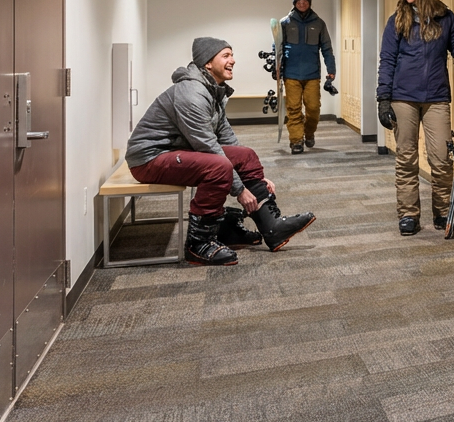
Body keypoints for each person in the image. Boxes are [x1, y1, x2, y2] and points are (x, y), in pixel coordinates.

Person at [125, 37, 317, 265]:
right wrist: (240, 190)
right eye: (226, 55)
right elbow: (207, 146)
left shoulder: (212, 90)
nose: (233, 60)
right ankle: (199, 244)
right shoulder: (191, 93)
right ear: (207, 63)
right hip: (149, 158)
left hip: (176, 150)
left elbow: (226, 137)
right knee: (218, 166)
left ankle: (271, 227)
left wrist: (255, 180)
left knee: (246, 155)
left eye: (232, 55)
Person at [376, 0, 454, 236]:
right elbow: (387, 61)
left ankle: (442, 213)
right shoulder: (396, 20)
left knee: (441, 160)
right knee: (406, 158)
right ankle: (408, 216)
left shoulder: (445, 17)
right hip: (403, 97)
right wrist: (383, 98)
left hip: (437, 97)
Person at [278, 0, 336, 154]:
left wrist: (331, 70)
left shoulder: (319, 23)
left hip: (312, 75)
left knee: (313, 108)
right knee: (294, 109)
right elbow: (278, 49)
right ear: (294, 3)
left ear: (310, 2)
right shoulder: (285, 23)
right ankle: (296, 141)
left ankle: (309, 132)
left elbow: (327, 48)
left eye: (305, 0)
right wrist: (277, 69)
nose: (302, 3)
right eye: (298, 0)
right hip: (291, 75)